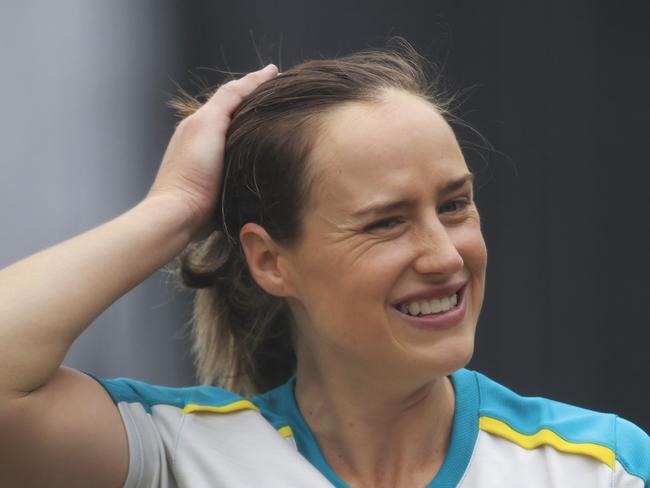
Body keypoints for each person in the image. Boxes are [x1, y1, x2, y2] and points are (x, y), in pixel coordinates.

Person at [0, 39, 648, 488]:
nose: (446, 255)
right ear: (269, 261)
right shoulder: (176, 456)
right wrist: (171, 210)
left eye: (455, 205)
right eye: (386, 222)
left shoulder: (601, 466)